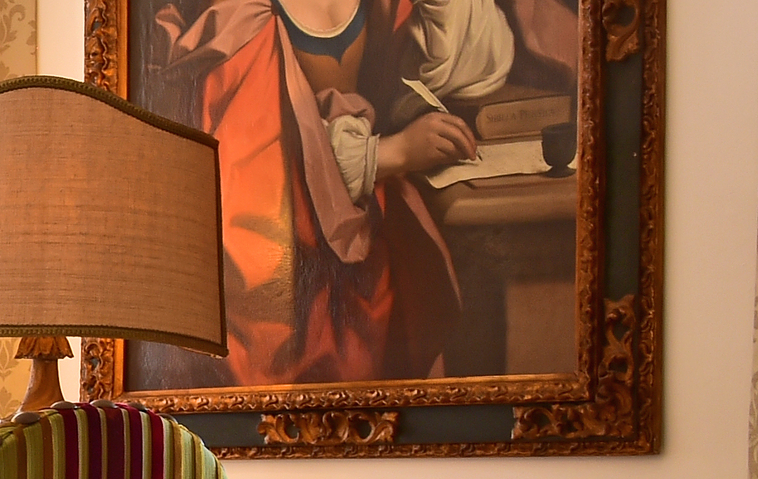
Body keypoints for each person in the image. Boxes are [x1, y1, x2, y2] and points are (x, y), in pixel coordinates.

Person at [137, 0, 536, 386]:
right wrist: (388, 154)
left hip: (361, 227)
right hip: (284, 270)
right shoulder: (242, 21)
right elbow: (255, 183)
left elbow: (480, 65)